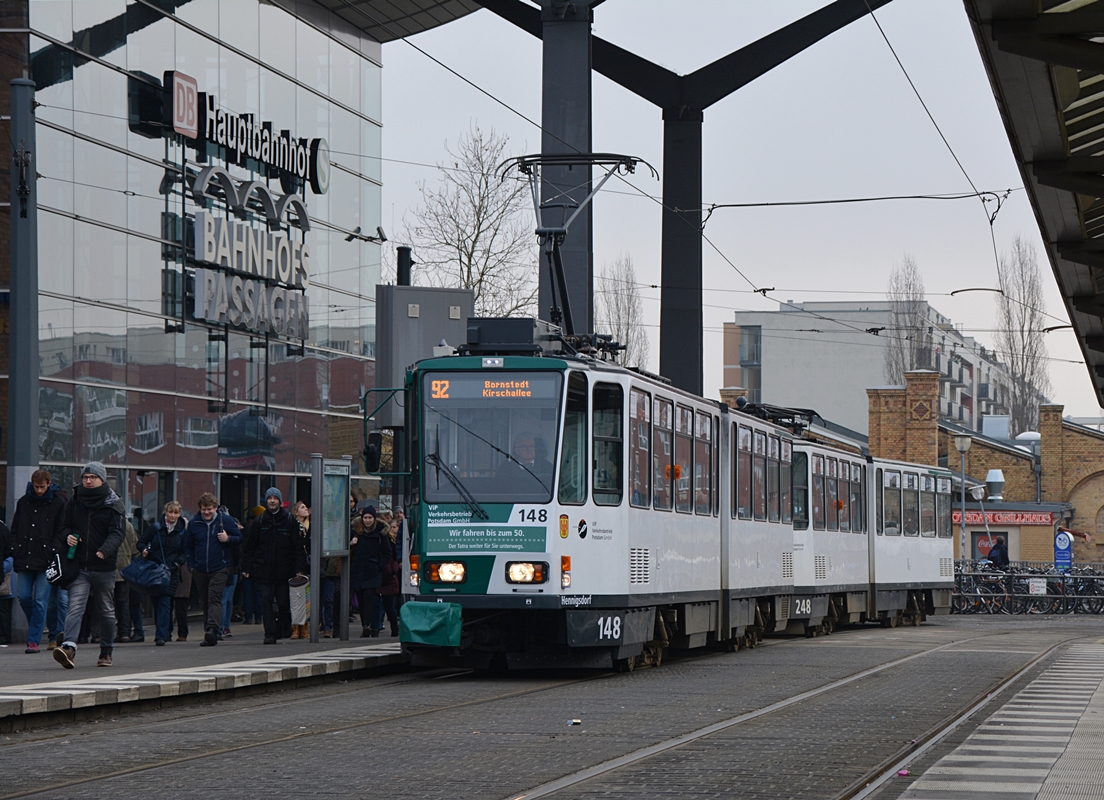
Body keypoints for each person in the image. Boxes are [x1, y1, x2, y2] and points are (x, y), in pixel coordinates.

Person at [53, 462, 126, 669]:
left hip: (104, 566)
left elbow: (118, 532)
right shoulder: (75, 500)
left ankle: (106, 651)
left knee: (106, 610)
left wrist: (105, 549)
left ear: (102, 480)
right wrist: (67, 536)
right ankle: (68, 649)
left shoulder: (114, 503)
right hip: (80, 566)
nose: (88, 481)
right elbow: (64, 526)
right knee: (75, 606)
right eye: (85, 477)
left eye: (93, 477)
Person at [10, 469, 67, 654]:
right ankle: (37, 627)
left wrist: (53, 549)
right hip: (25, 556)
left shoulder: (58, 503)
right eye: (36, 487)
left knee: (40, 601)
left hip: (46, 559)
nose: (39, 490)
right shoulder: (24, 502)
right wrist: (16, 548)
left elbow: (60, 530)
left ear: (49, 483)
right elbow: (15, 528)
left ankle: (33, 640)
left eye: (42, 487)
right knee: (24, 597)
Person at [241, 488, 307, 644]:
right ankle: (269, 633)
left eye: (275, 498)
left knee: (283, 603)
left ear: (279, 501)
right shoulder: (259, 522)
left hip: (284, 570)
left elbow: (297, 548)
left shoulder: (289, 521)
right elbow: (250, 547)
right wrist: (246, 567)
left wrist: (299, 568)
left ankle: (284, 627)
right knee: (266, 603)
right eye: (269, 498)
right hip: (264, 570)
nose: (272, 501)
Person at [184, 492, 241, 647]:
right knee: (205, 600)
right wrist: (191, 564)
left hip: (220, 566)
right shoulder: (195, 523)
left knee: (214, 598)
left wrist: (228, 538)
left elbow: (239, 538)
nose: (207, 512)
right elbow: (188, 545)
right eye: (204, 509)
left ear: (216, 508)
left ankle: (212, 629)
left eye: (210, 509)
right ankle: (208, 632)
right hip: (200, 567)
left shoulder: (225, 521)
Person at [136, 501, 187, 646]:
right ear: (165, 512)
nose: (173, 516)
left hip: (171, 571)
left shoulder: (182, 531)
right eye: (170, 512)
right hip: (155, 569)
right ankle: (163, 632)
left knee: (166, 601)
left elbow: (185, 552)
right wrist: (144, 550)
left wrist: (177, 564)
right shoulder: (156, 528)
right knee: (156, 602)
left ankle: (161, 635)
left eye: (176, 513)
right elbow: (141, 542)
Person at [349, 505, 394, 637]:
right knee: (361, 601)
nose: (367, 520)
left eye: (370, 518)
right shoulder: (357, 531)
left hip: (372, 571)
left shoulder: (381, 533)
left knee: (369, 598)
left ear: (374, 519)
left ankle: (367, 625)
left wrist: (379, 566)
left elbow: (387, 552)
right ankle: (366, 624)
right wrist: (352, 543)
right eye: (365, 518)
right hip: (358, 570)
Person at [113, 517, 140, 643]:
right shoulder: (128, 526)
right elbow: (135, 549)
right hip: (125, 568)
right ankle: (125, 633)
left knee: (105, 603)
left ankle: (101, 633)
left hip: (109, 568)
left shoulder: (107, 523)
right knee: (123, 603)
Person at [288, 501, 311, 639]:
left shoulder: (311, 526)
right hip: (296, 564)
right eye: (302, 507)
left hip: (308, 564)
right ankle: (296, 627)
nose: (306, 509)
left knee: (307, 599)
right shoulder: (293, 527)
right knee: (296, 598)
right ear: (296, 512)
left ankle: (305, 627)